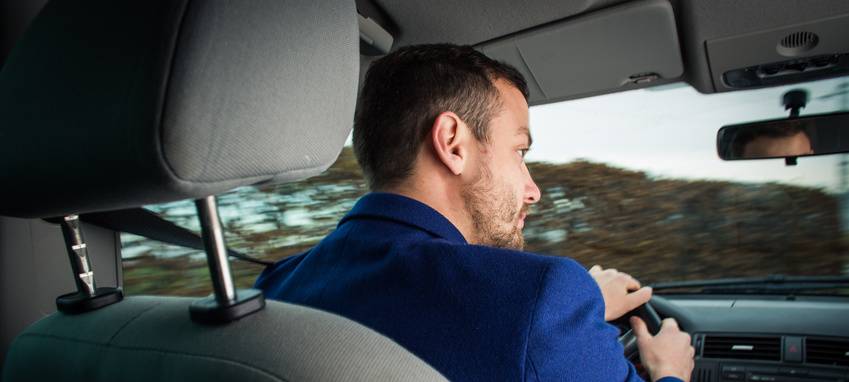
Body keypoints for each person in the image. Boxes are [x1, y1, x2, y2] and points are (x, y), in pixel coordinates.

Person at [256, 44, 694, 382]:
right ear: (452, 143)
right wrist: (670, 370)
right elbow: (516, 322)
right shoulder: (542, 297)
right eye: (519, 151)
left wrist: (586, 304)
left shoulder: (276, 288)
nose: (533, 190)